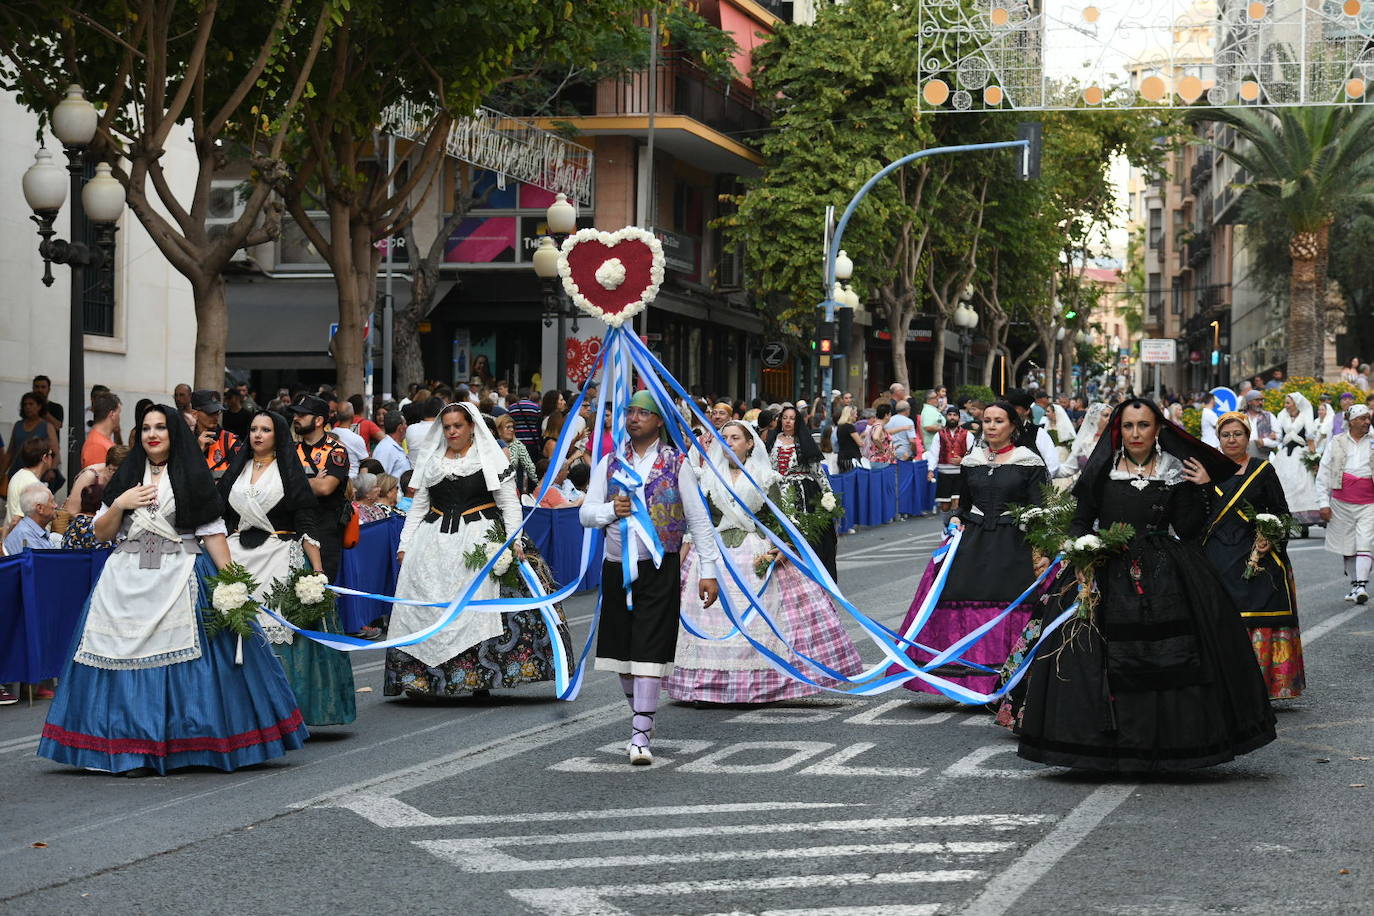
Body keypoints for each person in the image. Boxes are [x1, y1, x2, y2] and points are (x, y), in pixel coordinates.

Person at [37, 405, 308, 775]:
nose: (153, 434)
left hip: (180, 570)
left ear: (173, 432)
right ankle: (129, 745)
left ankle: (190, 741)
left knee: (194, 660)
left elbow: (212, 533)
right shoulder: (127, 476)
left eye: (161, 427)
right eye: (146, 427)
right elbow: (101, 534)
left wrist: (232, 582)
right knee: (117, 656)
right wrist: (120, 503)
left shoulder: (193, 476)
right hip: (126, 574)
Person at [1016, 399, 1276, 772]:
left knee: (1175, 651)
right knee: (1094, 652)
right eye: (1128, 426)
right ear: (1118, 430)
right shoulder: (1102, 470)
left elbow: (1188, 530)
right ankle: (1101, 746)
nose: (1135, 433)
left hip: (1165, 569)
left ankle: (1173, 743)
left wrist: (1201, 488)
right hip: (1105, 566)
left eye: (1143, 425)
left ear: (1158, 430)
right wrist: (1081, 553)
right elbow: (1081, 520)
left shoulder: (1176, 470)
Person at [383, 403, 573, 699]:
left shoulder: (488, 457)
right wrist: (405, 545)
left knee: (478, 606)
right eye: (447, 427)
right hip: (433, 542)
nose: (452, 432)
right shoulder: (431, 460)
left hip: (480, 539)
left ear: (471, 426)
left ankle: (478, 676)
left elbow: (509, 504)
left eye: (457, 426)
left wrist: (514, 541)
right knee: (428, 605)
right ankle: (423, 680)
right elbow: (419, 507)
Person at [668, 421, 863, 703]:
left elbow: (777, 519)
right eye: (724, 438)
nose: (729, 443)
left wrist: (781, 546)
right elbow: (700, 521)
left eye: (735, 438)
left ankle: (761, 682)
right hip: (715, 553)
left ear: (750, 444)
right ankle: (705, 686)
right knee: (709, 615)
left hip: (754, 549)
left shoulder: (765, 476)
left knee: (762, 614)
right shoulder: (707, 476)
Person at [581, 390, 720, 765]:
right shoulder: (609, 463)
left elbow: (699, 521)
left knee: (648, 649)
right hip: (616, 569)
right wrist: (610, 510)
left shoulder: (677, 464)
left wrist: (709, 572)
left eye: (643, 413)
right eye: (630, 412)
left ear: (659, 421)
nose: (634, 418)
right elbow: (585, 513)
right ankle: (640, 715)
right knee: (621, 654)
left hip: (659, 568)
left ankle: (640, 734)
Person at [892, 401, 1047, 695]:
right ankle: (964, 679)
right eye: (987, 420)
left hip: (1012, 544)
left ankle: (1009, 678)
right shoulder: (972, 461)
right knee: (957, 593)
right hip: (973, 542)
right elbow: (963, 505)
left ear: (1013, 425)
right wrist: (954, 519)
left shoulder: (1029, 461)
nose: (991, 426)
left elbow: (1039, 507)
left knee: (1010, 599)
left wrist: (1038, 546)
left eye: (998, 421)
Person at [220, 410, 356, 726]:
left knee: (288, 637)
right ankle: (242, 713)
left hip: (281, 556)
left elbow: (305, 522)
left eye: (265, 429)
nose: (257, 435)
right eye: (253, 429)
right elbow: (222, 517)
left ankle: (287, 712)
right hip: (239, 559)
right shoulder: (236, 471)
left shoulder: (289, 471)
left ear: (277, 435)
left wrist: (318, 572)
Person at [1203, 412, 1305, 699]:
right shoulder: (1207, 472)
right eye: (1226, 434)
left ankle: (1265, 686)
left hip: (1256, 553)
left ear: (1248, 438)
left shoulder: (1263, 471)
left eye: (1237, 434)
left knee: (1263, 607)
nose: (1232, 439)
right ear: (1219, 439)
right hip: (1218, 553)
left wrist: (1270, 538)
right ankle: (1227, 686)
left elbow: (1281, 513)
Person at [767, 404, 841, 581]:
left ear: (797, 421)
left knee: (806, 532)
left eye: (792, 418)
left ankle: (808, 573)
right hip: (777, 492)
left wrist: (828, 494)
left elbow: (817, 471)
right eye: (785, 418)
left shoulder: (803, 441)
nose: (788, 421)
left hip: (802, 491)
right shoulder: (772, 441)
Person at [1315, 404, 1374, 603]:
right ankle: (1355, 585)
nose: (1367, 421)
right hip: (1341, 504)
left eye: (1368, 418)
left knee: (1364, 541)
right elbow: (1323, 473)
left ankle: (1361, 585)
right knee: (1347, 546)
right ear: (1352, 421)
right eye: (1363, 418)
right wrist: (1323, 503)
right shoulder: (1337, 442)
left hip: (1369, 502)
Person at [288, 395, 350, 580]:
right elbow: (279, 484)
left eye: (302, 415)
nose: (295, 418)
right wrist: (312, 481)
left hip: (325, 529)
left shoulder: (336, 450)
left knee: (320, 589)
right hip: (294, 526)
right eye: (295, 414)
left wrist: (296, 483)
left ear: (319, 420)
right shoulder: (290, 450)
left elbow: (324, 488)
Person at [1271, 392, 1323, 529]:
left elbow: (1310, 440)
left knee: (1302, 485)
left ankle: (1303, 523)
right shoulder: (1282, 416)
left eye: (1288, 403)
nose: (1285, 405)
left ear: (1296, 404)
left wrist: (1314, 460)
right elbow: (1279, 437)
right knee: (1284, 485)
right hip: (1284, 455)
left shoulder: (1305, 416)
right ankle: (1285, 518)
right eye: (1285, 403)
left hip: (1301, 455)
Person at [62, 444, 129, 548]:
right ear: (109, 467)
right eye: (115, 471)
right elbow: (71, 511)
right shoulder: (91, 476)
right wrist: (99, 524)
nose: (120, 475)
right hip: (84, 532)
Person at [6, 391, 60, 482]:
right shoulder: (18, 425)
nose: (28, 407)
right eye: (25, 404)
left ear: (39, 406)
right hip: (17, 473)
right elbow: (10, 452)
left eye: (31, 404)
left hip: (38, 475)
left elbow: (55, 452)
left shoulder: (47, 426)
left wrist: (51, 470)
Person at [1005, 389, 1060, 475]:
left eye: (1014, 408)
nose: (1010, 412)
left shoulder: (1038, 433)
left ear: (1026, 411)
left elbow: (1053, 466)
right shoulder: (996, 433)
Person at [932, 405, 973, 514]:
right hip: (944, 473)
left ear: (959, 418)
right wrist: (930, 470)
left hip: (960, 473)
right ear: (946, 417)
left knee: (956, 503)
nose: (952, 417)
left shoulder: (967, 434)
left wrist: (962, 460)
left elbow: (973, 453)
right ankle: (947, 526)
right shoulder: (939, 434)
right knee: (945, 506)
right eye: (950, 415)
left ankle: (955, 527)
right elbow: (934, 453)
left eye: (955, 415)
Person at [6, 439, 55, 526]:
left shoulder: (18, 475)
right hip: (30, 538)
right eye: (51, 454)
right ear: (44, 458)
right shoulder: (32, 484)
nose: (53, 458)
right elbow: (16, 519)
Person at [191, 389, 239, 479]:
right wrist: (197, 451)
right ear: (195, 414)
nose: (215, 416)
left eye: (217, 412)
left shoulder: (230, 440)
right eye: (210, 412)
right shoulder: (185, 441)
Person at [4, 484, 57, 554]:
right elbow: (44, 564)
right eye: (52, 501)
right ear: (40, 508)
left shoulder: (33, 531)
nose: (56, 505)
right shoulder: (26, 535)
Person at [82, 393, 121, 469]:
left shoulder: (100, 441)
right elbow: (98, 479)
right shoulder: (96, 445)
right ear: (112, 414)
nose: (119, 418)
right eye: (119, 413)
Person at [331, 404, 368, 476]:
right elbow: (366, 461)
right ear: (352, 416)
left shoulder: (329, 435)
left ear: (337, 416)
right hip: (352, 479)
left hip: (333, 477)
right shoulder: (356, 439)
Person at [373, 410, 411, 480]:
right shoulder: (385, 449)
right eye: (405, 424)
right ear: (400, 428)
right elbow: (379, 478)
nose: (406, 426)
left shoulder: (391, 446)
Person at [1243, 389, 1278, 460]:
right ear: (1249, 402)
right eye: (1257, 400)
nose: (1260, 402)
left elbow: (1278, 437)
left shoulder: (1269, 416)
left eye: (1262, 400)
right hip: (1243, 454)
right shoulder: (1241, 418)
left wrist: (1264, 442)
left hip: (1262, 455)